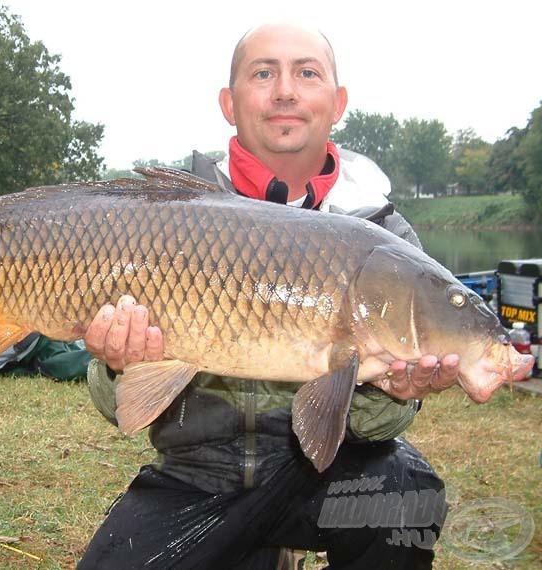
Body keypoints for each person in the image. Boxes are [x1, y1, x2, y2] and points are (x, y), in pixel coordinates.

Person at [77, 23, 459, 570]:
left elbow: (380, 428)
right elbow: (122, 410)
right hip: (197, 475)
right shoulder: (164, 216)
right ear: (229, 104)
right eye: (263, 73)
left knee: (406, 496)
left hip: (322, 476)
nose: (285, 90)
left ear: (337, 102)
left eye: (307, 72)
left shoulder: (385, 238)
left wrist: (396, 391)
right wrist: (116, 365)